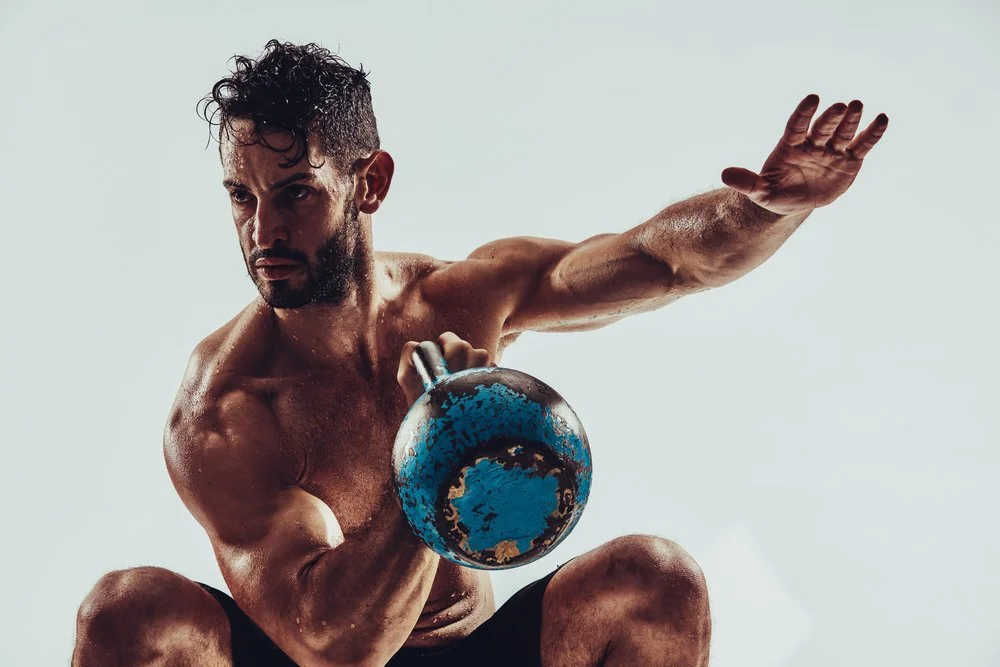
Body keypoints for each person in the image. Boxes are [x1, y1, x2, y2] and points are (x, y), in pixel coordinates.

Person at [71, 39, 888, 667]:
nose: (263, 232)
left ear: (370, 183)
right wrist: (439, 451)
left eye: (296, 194)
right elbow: (332, 647)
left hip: (474, 649)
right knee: (126, 614)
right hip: (319, 660)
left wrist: (768, 208)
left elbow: (664, 260)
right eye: (241, 197)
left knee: (658, 579)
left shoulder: (459, 297)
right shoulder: (224, 406)